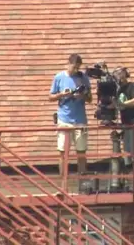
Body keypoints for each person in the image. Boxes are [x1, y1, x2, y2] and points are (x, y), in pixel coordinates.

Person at [49, 53, 92, 182]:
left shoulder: (83, 77)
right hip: (64, 119)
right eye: (74, 67)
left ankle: (83, 180)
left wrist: (83, 95)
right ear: (68, 64)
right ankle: (63, 180)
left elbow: (90, 99)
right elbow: (50, 97)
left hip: (80, 120)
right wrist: (62, 94)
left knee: (81, 151)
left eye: (78, 68)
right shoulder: (59, 77)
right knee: (63, 151)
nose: (76, 70)